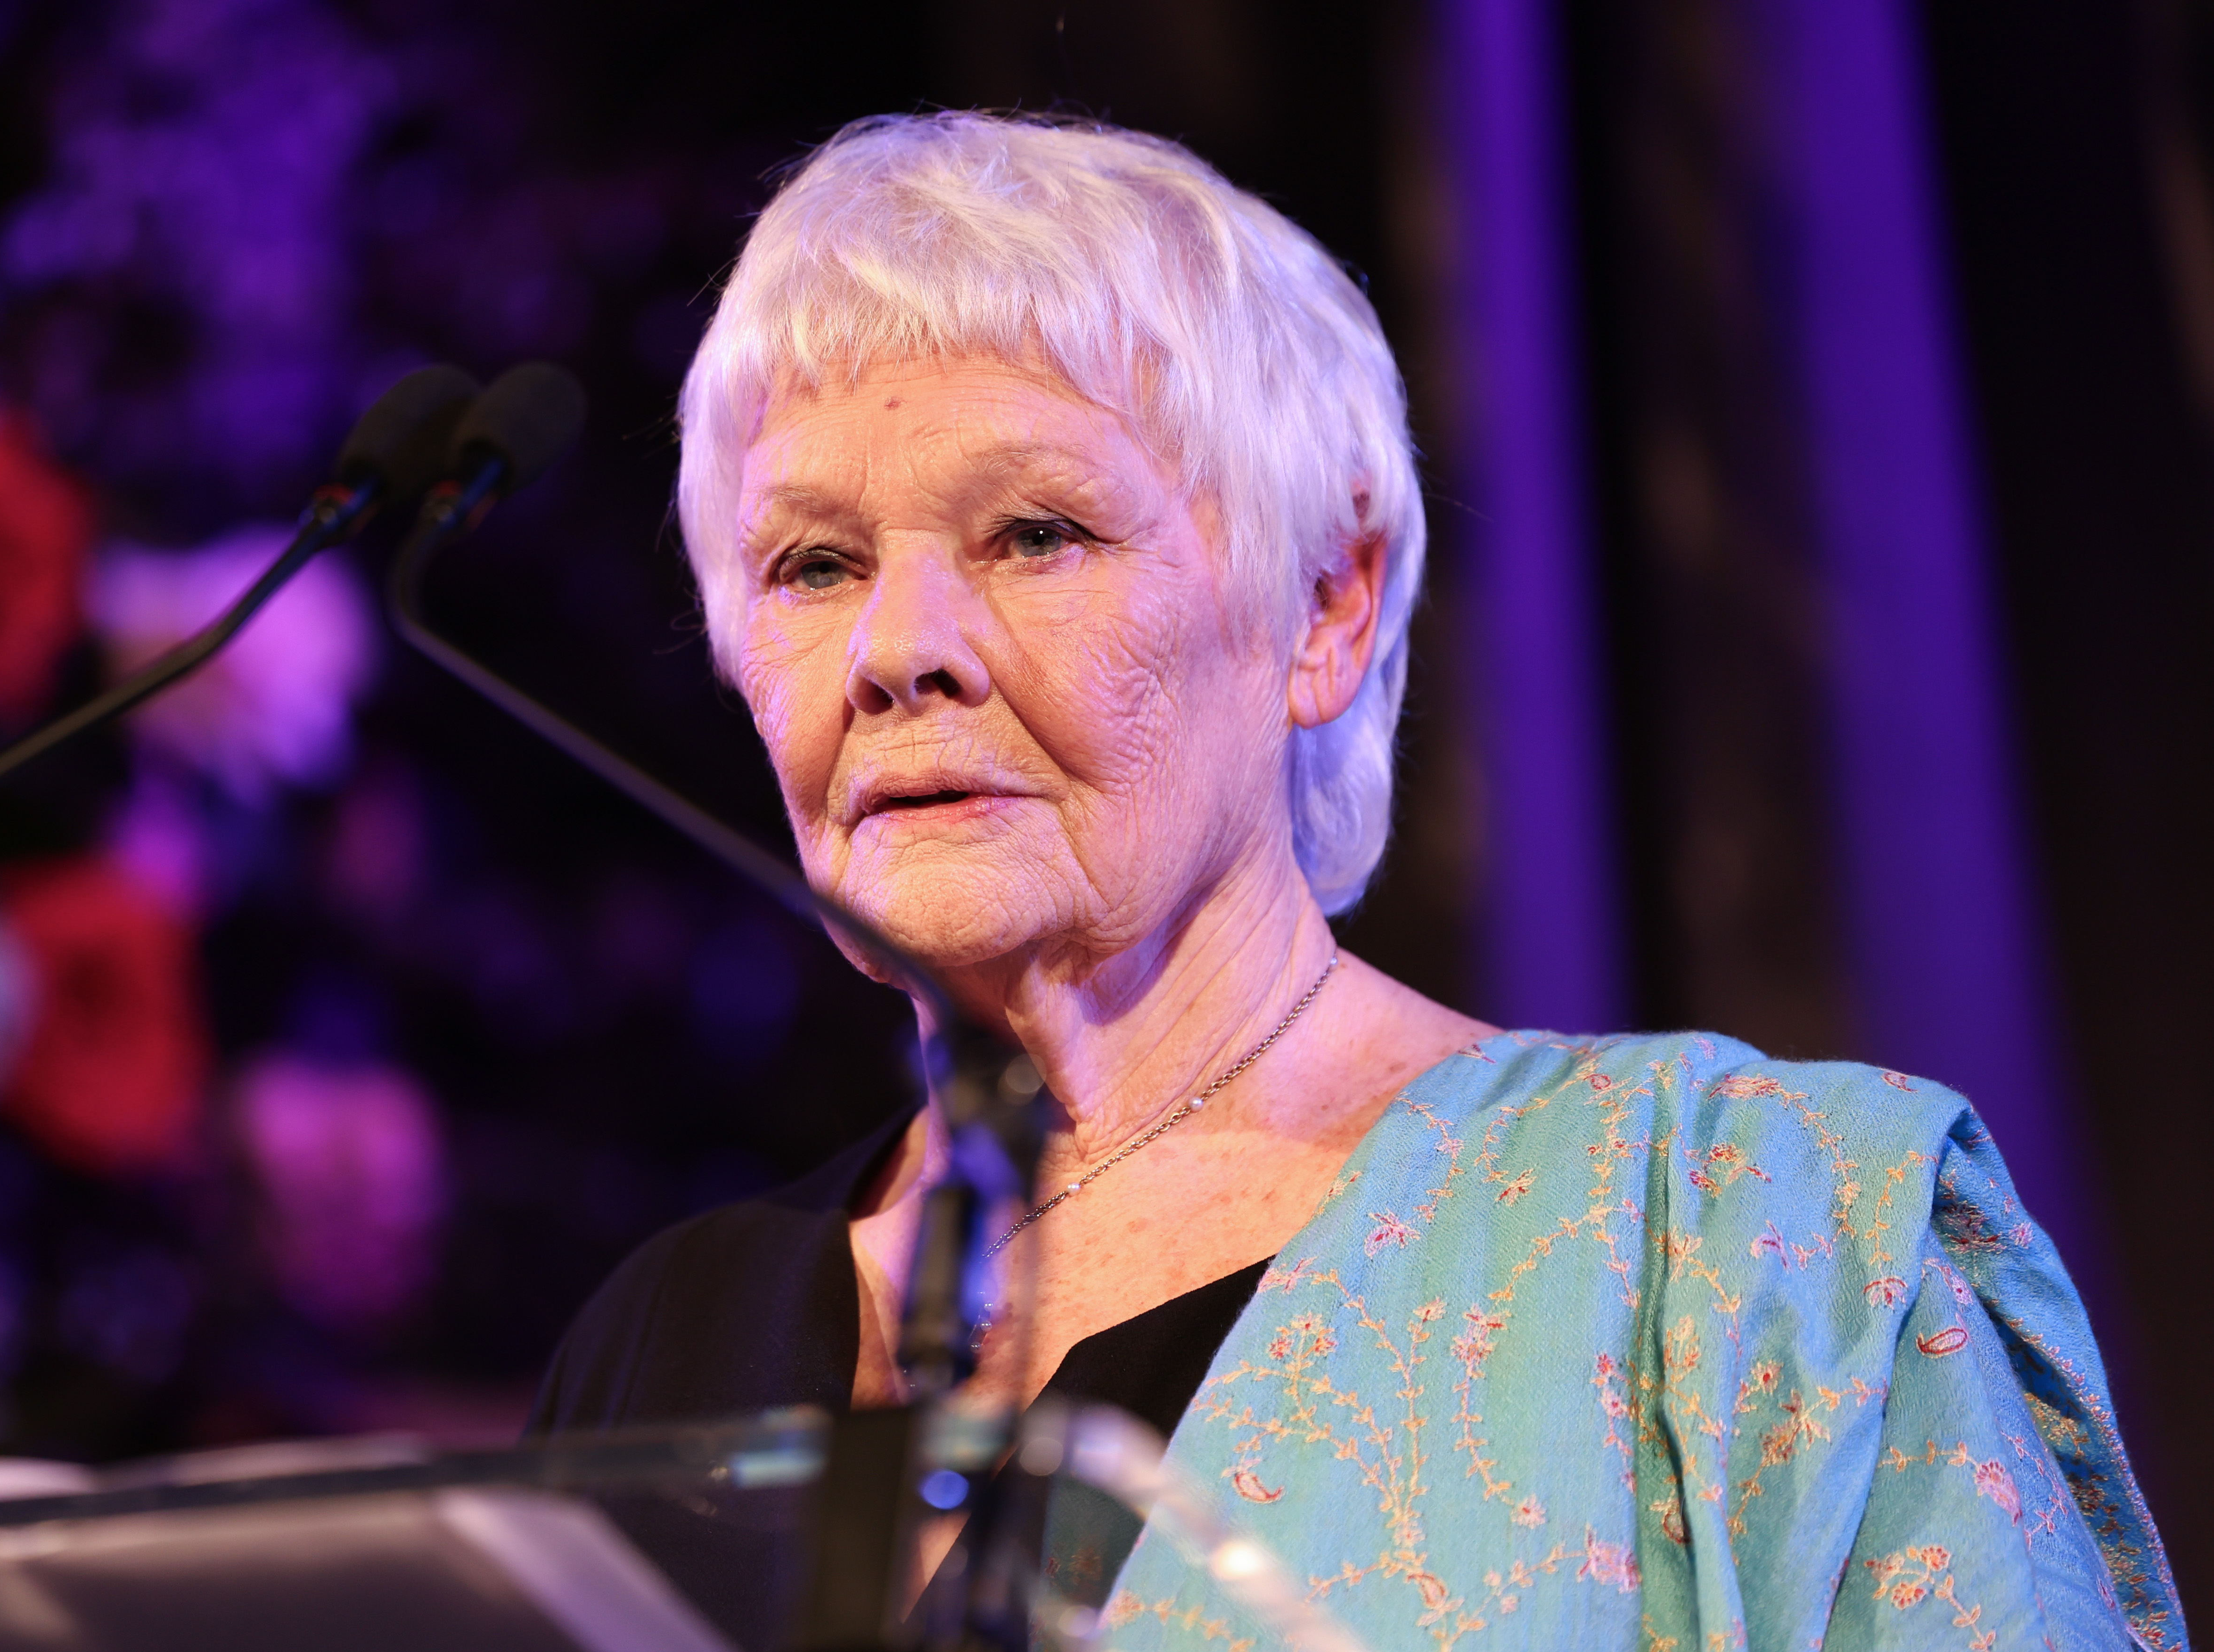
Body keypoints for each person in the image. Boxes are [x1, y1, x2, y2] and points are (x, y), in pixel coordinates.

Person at [530, 112, 2181, 1651]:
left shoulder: (1754, 1227)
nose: (897, 654)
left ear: (1324, 601)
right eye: (812, 566)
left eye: (1033, 533)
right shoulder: (655, 1345)